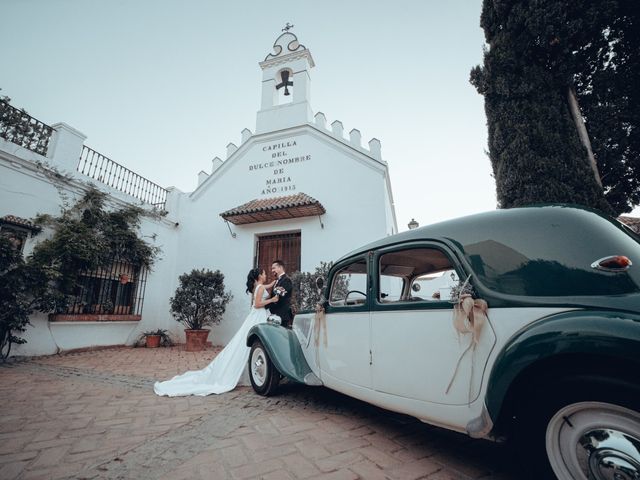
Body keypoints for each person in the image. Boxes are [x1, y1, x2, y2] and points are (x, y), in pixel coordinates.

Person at [154, 268, 278, 396]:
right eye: (264, 273)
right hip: (258, 315)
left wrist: (274, 283)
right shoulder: (261, 288)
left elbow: (265, 288)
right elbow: (258, 304)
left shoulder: (258, 286)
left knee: (244, 345)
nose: (266, 274)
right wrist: (272, 300)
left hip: (255, 316)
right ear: (259, 275)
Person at [267, 259, 294, 329]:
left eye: (274, 268)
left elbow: (279, 298)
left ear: (280, 267)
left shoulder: (286, 280)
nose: (272, 270)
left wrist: (264, 304)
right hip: (275, 316)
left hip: (282, 316)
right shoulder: (276, 281)